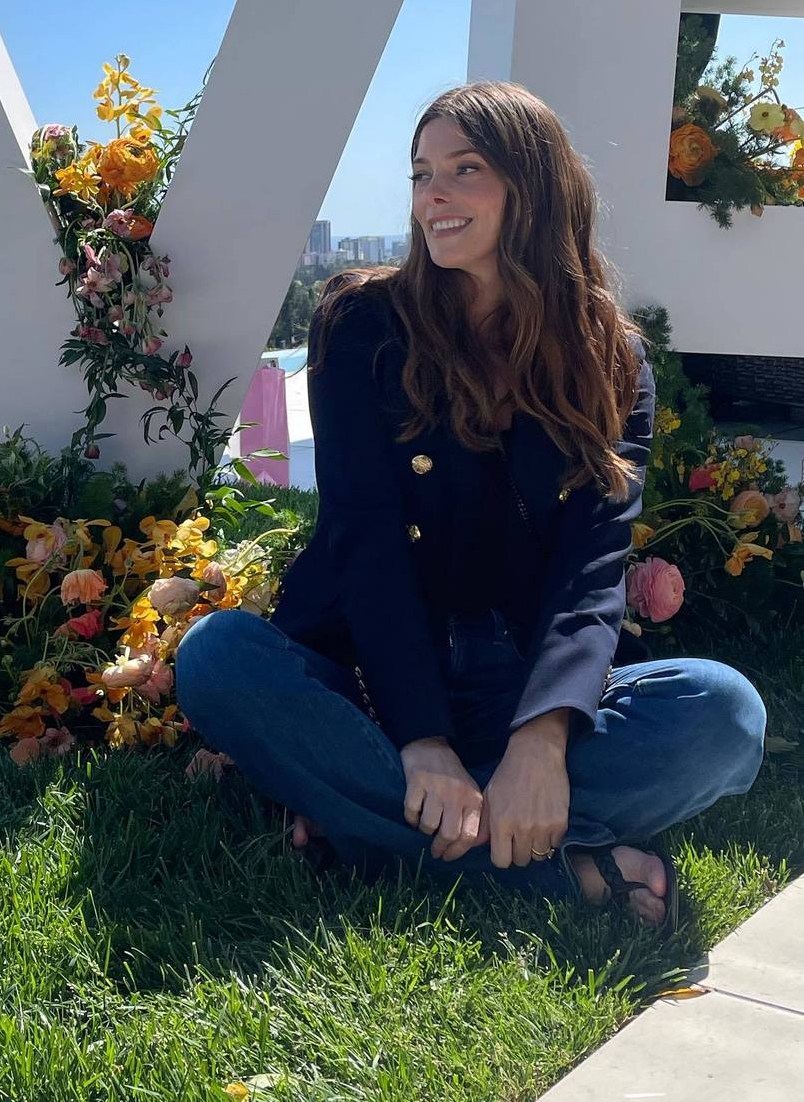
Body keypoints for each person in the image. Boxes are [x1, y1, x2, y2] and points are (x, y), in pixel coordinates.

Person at [174, 80, 767, 930]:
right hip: (370, 672)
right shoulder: (362, 321)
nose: (432, 197)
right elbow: (364, 538)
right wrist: (420, 739)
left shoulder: (610, 357)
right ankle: (552, 868)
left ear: (532, 186)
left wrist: (543, 738)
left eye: (463, 169)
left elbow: (591, 565)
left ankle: (370, 816)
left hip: (518, 672)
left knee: (722, 714)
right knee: (217, 655)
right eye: (420, 174)